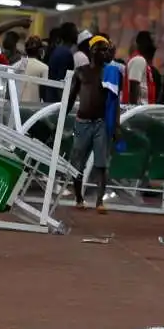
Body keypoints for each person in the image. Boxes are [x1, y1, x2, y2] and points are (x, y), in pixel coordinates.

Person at [66, 36, 118, 213]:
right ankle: (79, 198)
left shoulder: (109, 73)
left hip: (101, 123)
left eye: (106, 50)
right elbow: (71, 98)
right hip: (82, 123)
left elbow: (114, 101)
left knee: (101, 163)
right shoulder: (80, 72)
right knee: (77, 162)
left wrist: (115, 126)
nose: (105, 53)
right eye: (101, 49)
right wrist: (62, 118)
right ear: (92, 51)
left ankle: (99, 202)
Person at [46, 22, 78, 103]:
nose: (77, 34)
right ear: (70, 34)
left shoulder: (58, 50)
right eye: (75, 32)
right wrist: (64, 104)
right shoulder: (66, 54)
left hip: (51, 97)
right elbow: (61, 81)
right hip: (57, 101)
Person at [123, 31, 156, 105]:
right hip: (138, 110)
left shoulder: (142, 61)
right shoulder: (139, 60)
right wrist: (134, 110)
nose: (154, 46)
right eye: (151, 42)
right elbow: (133, 86)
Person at [19, 36, 49, 103]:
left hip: (17, 103)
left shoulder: (17, 65)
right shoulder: (44, 67)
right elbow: (44, 91)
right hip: (34, 106)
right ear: (40, 50)